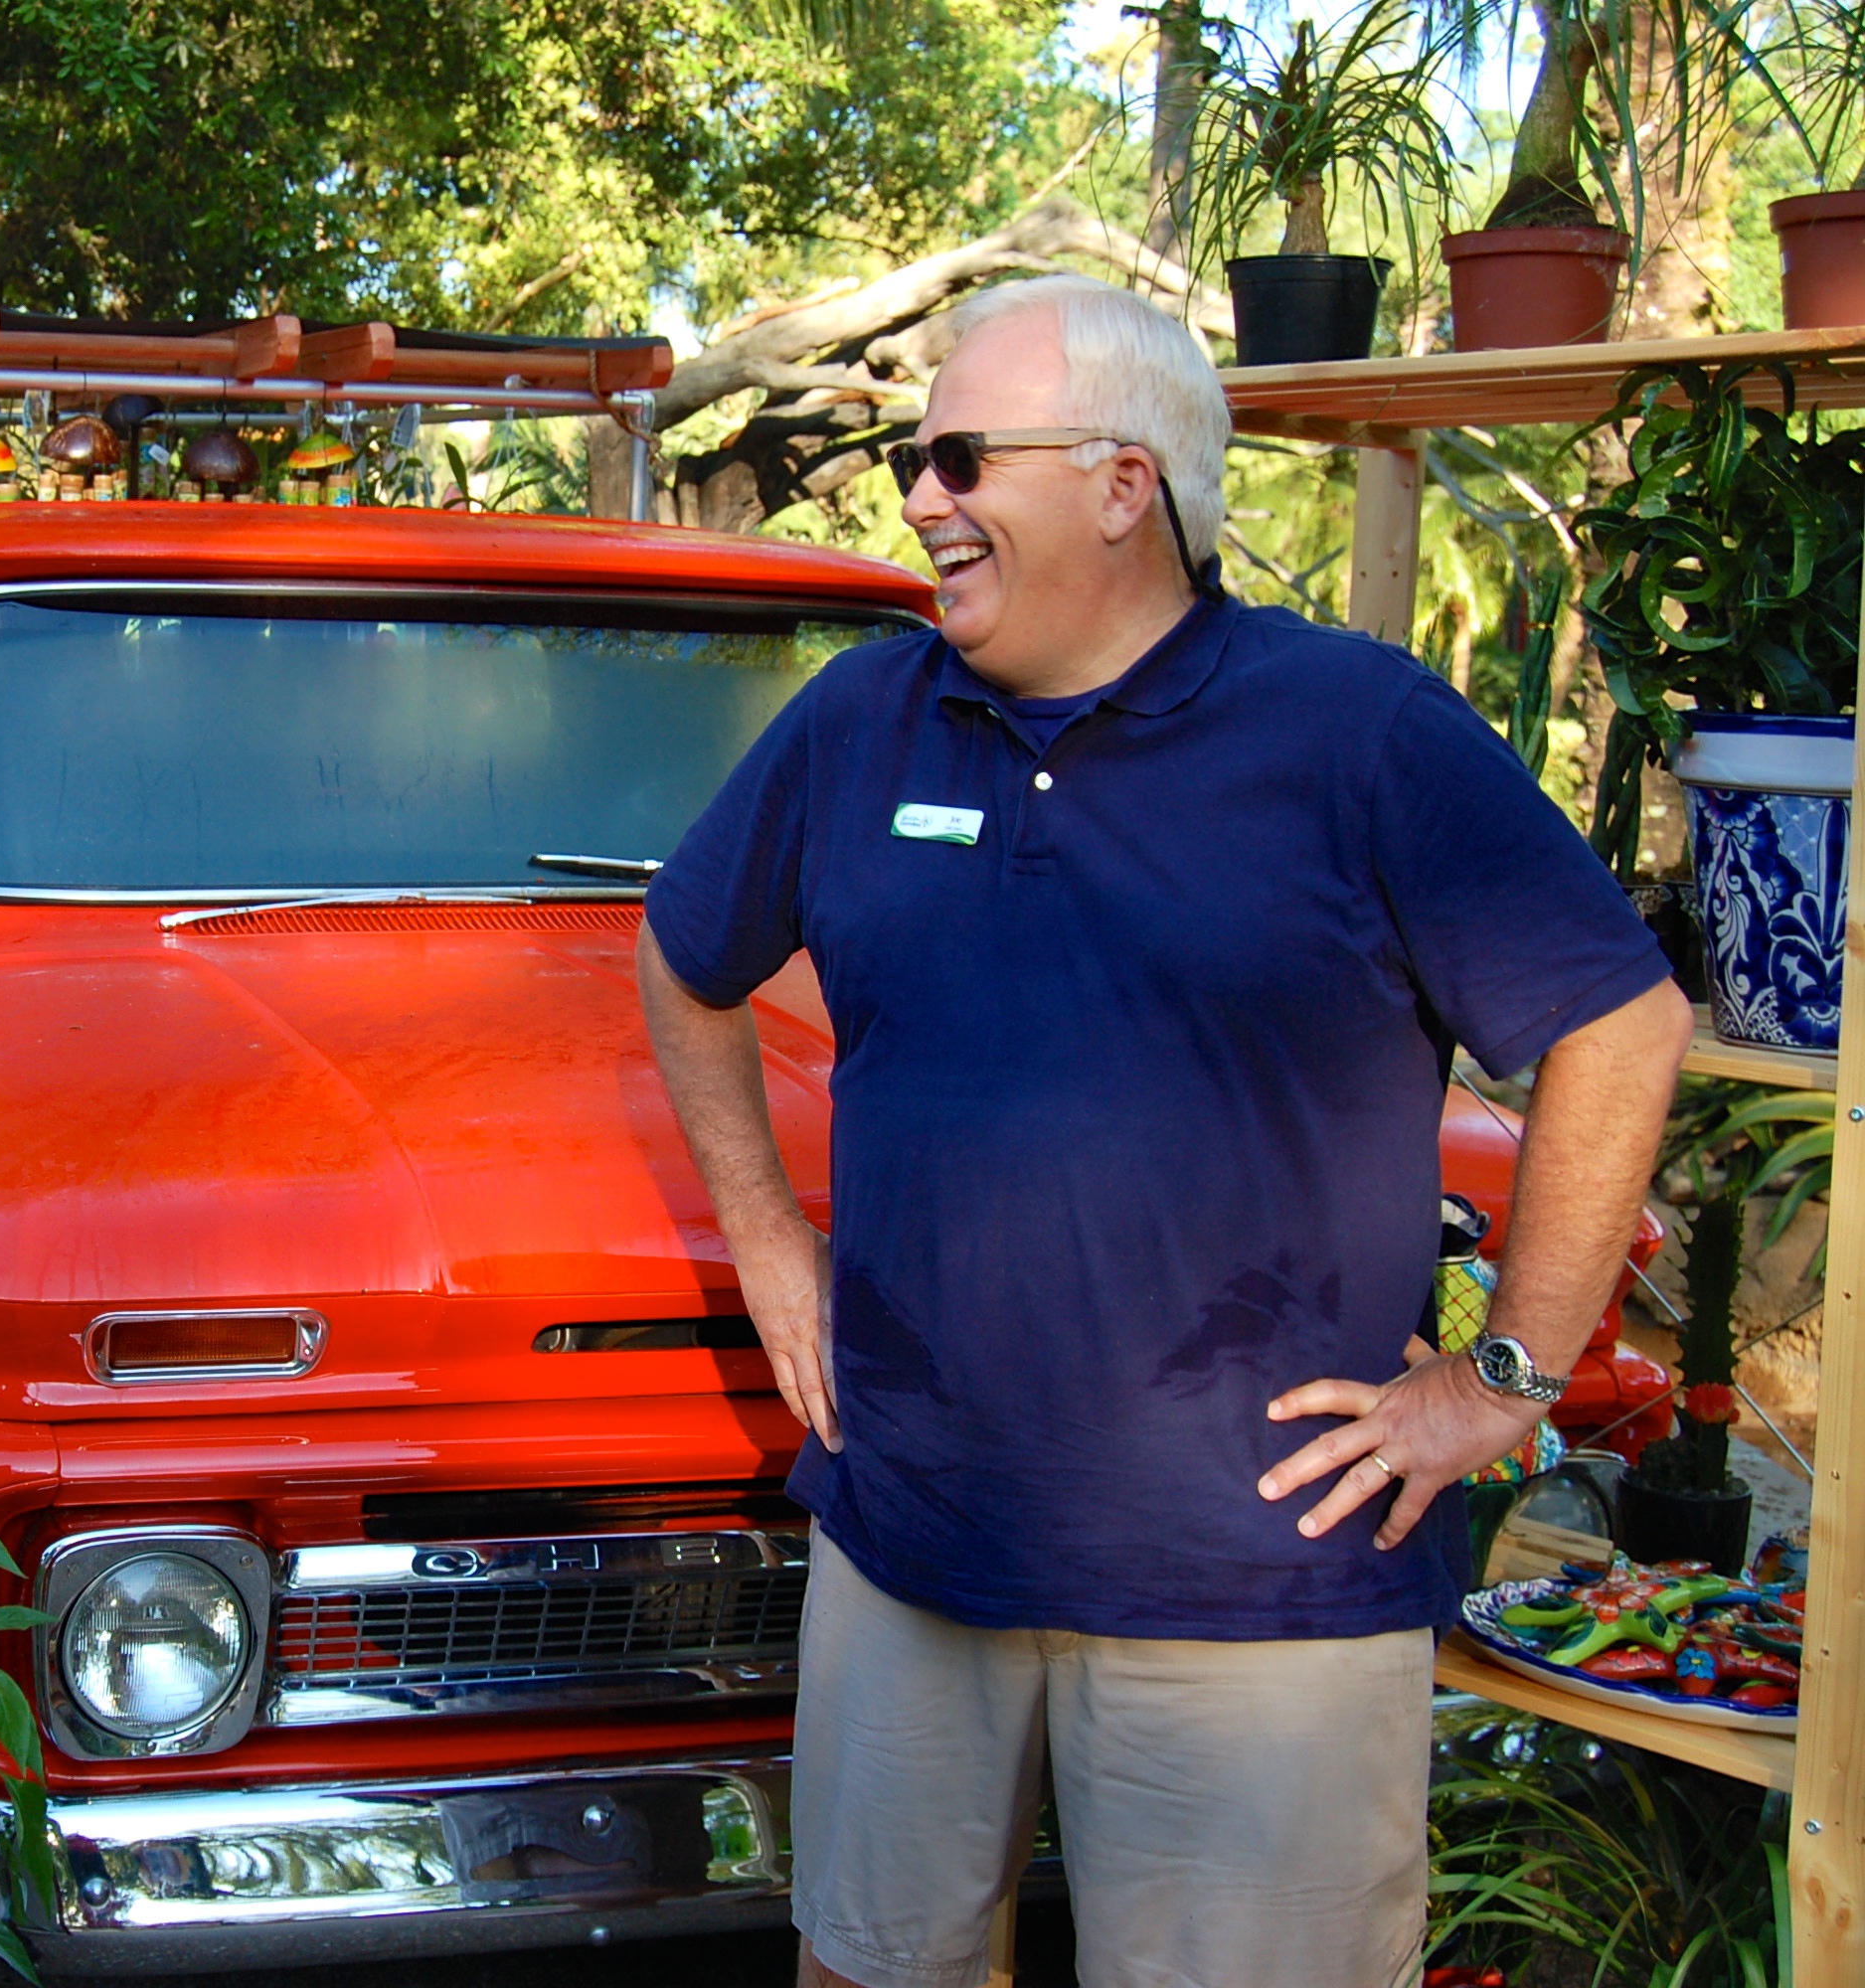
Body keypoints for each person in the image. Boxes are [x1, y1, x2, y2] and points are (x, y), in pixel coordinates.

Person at [635, 273, 1691, 1988]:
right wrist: (769, 1242)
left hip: (1255, 1585)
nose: (922, 498)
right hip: (914, 1543)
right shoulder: (858, 724)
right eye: (919, 458)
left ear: (1127, 483)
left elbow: (1617, 1018)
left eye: (967, 457)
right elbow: (683, 961)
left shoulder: (1358, 734)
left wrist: (1504, 1380)